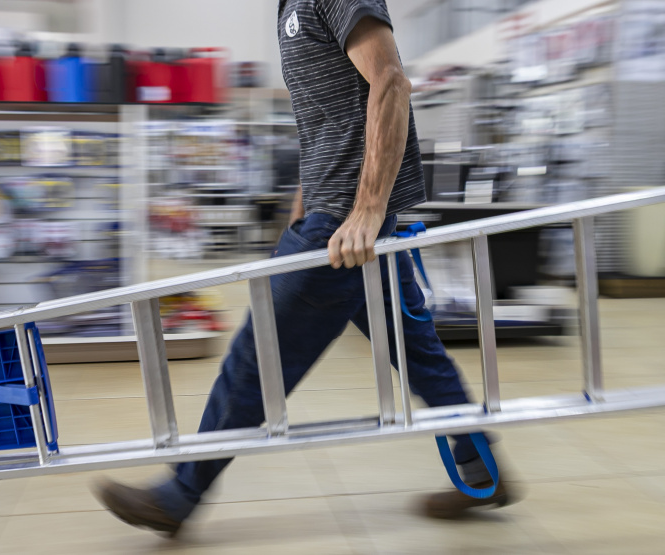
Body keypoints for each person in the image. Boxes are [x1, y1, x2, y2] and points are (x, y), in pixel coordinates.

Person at [95, 0, 518, 536]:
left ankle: (180, 494)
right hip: (337, 221)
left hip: (344, 227)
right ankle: (482, 469)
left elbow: (391, 81)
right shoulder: (289, 9)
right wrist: (301, 210)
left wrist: (367, 210)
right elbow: (324, 125)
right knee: (420, 355)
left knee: (256, 359)